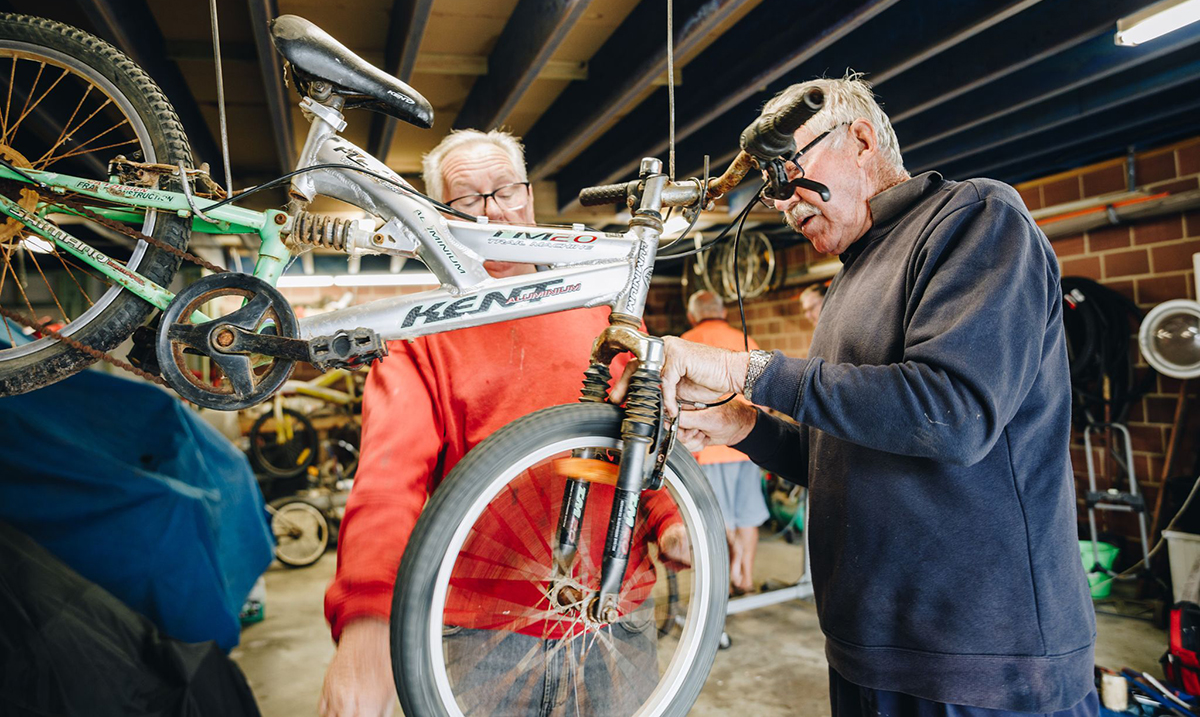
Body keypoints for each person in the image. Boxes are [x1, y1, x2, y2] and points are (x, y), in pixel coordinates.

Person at [619, 75, 1098, 716]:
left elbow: (950, 413)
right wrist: (743, 427)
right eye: (772, 189)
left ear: (862, 139)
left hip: (983, 664)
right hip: (866, 652)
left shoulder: (976, 220)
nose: (786, 203)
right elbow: (844, 451)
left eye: (792, 170)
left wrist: (749, 369)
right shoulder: (851, 279)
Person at [319, 129, 689, 717]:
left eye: (505, 191)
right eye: (467, 200)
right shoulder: (420, 335)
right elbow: (388, 483)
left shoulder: (604, 313)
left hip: (615, 617)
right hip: (482, 635)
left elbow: (645, 433)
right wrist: (369, 618)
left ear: (529, 199)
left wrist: (672, 520)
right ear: (439, 215)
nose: (492, 211)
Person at [680, 290, 767, 595]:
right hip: (748, 447)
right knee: (747, 516)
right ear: (724, 312)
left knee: (720, 519)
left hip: (708, 449)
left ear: (693, 315)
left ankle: (725, 586)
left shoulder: (686, 343)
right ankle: (744, 578)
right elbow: (765, 401)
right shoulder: (746, 341)